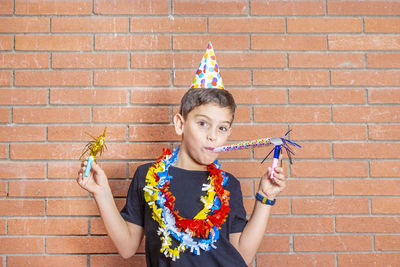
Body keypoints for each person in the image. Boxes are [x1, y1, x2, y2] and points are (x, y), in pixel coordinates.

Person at [77, 42, 287, 266]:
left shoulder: (228, 185)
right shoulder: (147, 178)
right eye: (203, 124)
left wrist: (266, 197)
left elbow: (242, 256)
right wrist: (102, 193)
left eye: (222, 128)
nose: (213, 136)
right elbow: (127, 247)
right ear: (180, 124)